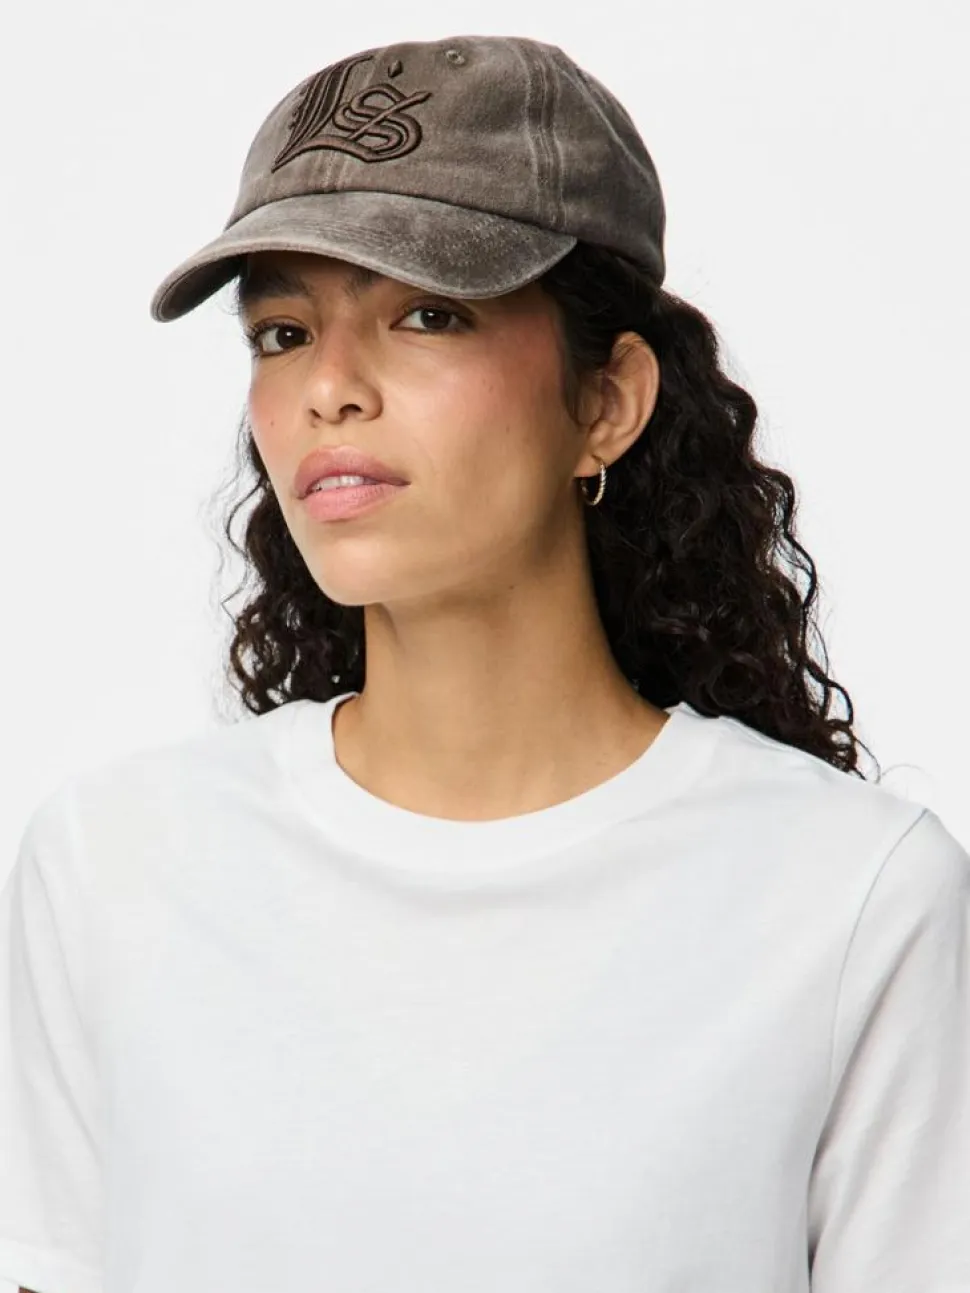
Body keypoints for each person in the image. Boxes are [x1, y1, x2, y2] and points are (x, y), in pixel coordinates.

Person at [1, 33, 968, 1293]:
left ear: (606, 402)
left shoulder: (851, 900)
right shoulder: (113, 871)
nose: (329, 388)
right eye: (282, 332)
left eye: (427, 313)